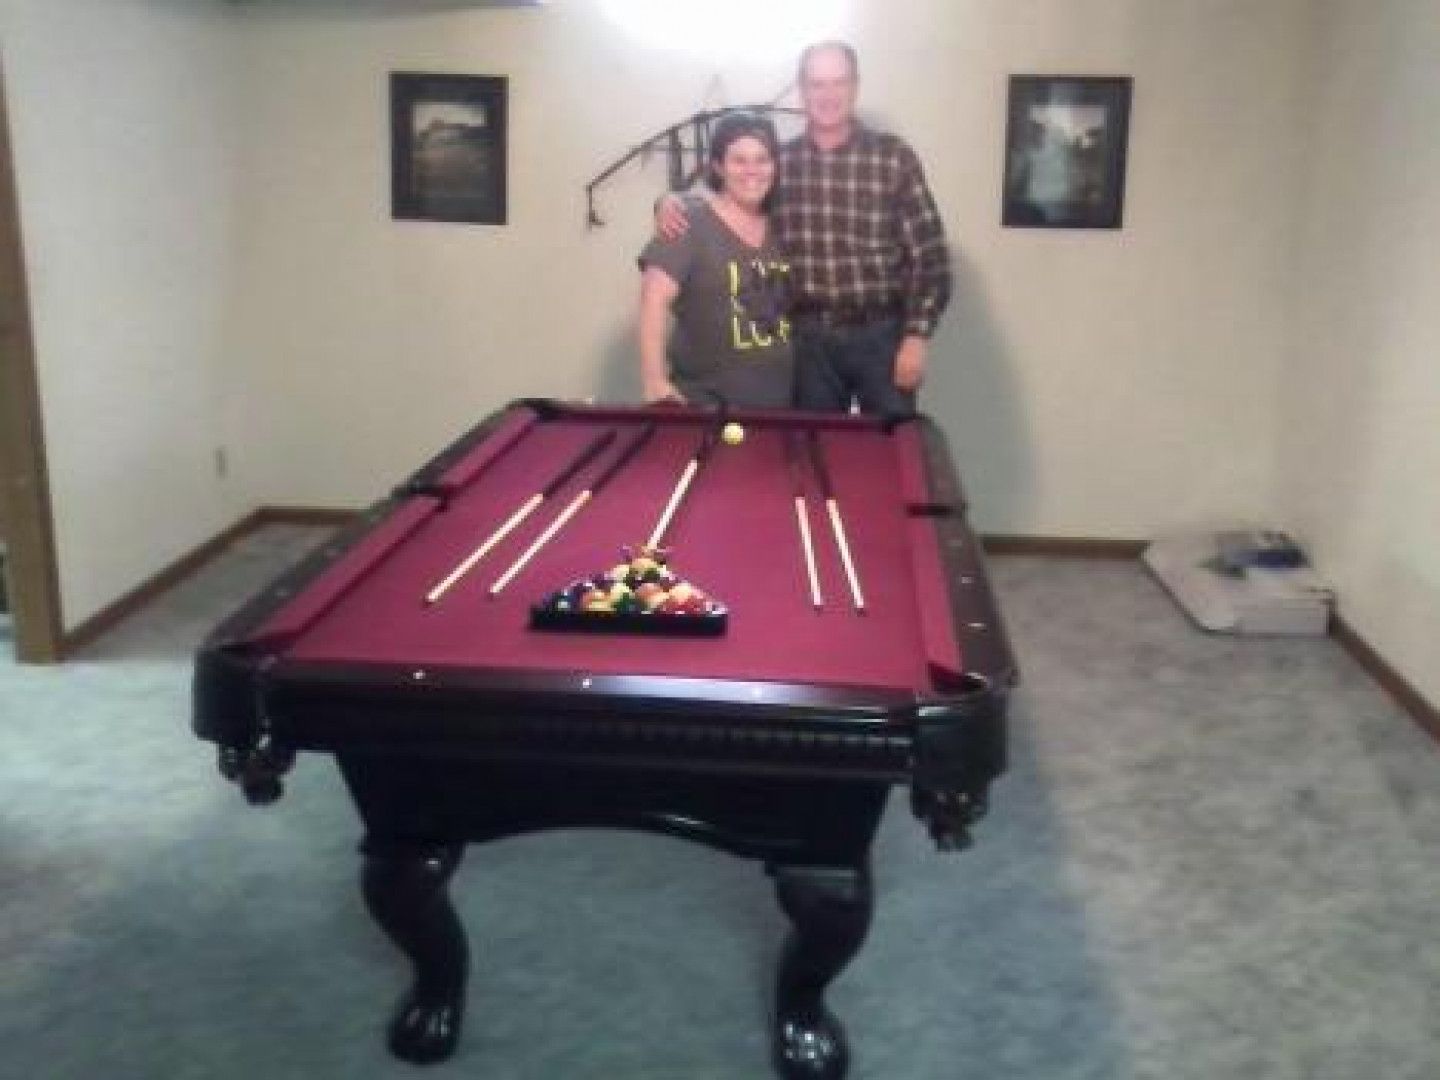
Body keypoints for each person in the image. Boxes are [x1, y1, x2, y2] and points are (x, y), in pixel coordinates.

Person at [658, 41, 952, 417]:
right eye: (817, 84)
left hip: (881, 338)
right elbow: (728, 195)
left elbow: (931, 259)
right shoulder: (781, 163)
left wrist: (916, 338)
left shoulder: (893, 158)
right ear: (802, 90)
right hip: (806, 341)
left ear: (855, 87)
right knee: (809, 452)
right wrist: (671, 202)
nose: (828, 95)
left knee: (885, 450)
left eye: (839, 82)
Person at [637, 111, 794, 409]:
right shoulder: (688, 223)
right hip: (706, 407)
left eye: (762, 159)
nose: (752, 170)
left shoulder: (784, 225)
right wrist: (654, 382)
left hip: (782, 409)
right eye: (739, 160)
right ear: (719, 167)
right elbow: (652, 298)